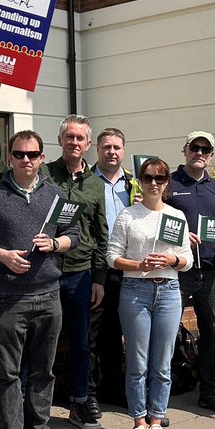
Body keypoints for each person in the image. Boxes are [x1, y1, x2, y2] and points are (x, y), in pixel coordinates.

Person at [0, 111, 108, 429]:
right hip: (24, 284)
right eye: (70, 137)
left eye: (81, 138)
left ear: (88, 143)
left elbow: (90, 231)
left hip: (72, 276)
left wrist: (95, 275)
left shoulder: (86, 185)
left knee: (68, 351)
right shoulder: (36, 178)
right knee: (19, 360)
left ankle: (66, 412)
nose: (75, 142)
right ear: (60, 142)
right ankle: (16, 423)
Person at [0, 130, 79, 429]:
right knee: (9, 372)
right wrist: (1, 255)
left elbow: (74, 234)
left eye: (32, 155)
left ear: (42, 157)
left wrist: (56, 244)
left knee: (44, 370)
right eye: (19, 154)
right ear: (9, 157)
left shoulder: (57, 196)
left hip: (48, 295)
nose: (26, 160)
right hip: (9, 298)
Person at [107, 157, 192, 429]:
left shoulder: (175, 216)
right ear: (140, 181)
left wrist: (172, 260)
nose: (153, 183)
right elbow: (112, 256)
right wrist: (139, 265)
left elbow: (187, 259)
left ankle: (157, 421)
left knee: (163, 363)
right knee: (137, 362)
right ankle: (139, 423)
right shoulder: (128, 215)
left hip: (168, 290)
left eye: (160, 177)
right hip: (135, 290)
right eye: (148, 177)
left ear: (166, 182)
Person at [166, 131, 215, 416]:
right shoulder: (169, 184)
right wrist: (182, 237)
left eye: (205, 149)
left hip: (210, 271)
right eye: (194, 147)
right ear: (185, 150)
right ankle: (165, 392)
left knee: (212, 334)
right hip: (177, 270)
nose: (199, 152)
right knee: (167, 331)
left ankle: (209, 391)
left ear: (210, 155)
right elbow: (158, 224)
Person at [93, 127, 136, 406]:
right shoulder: (87, 182)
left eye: (117, 147)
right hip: (98, 266)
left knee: (129, 328)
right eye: (106, 146)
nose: (112, 152)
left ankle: (125, 385)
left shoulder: (134, 185)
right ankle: (103, 388)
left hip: (129, 265)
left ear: (124, 150)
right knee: (102, 331)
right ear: (97, 150)